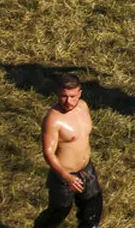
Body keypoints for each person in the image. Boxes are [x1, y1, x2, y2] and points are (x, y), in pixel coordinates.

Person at [35, 74, 102, 228]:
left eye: (72, 96)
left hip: (86, 170)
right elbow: (48, 152)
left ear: (79, 93)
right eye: (63, 96)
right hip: (64, 176)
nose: (68, 101)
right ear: (58, 94)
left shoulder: (83, 107)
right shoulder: (53, 120)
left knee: (92, 210)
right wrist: (66, 177)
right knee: (58, 212)